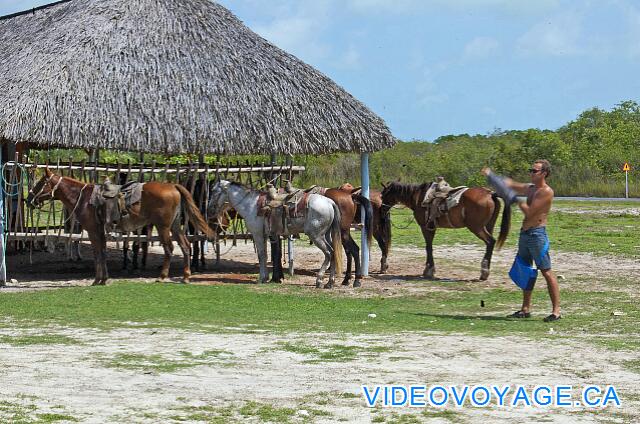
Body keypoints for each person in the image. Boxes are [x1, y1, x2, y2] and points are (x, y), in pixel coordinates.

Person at [482, 160, 561, 322]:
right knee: (525, 270)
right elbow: (511, 183)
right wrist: (493, 176)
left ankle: (556, 311)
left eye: (535, 171)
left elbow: (530, 213)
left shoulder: (546, 192)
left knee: (546, 271)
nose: (531, 173)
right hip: (524, 234)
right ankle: (525, 309)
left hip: (537, 235)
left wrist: (514, 199)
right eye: (530, 170)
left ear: (544, 173)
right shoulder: (530, 188)